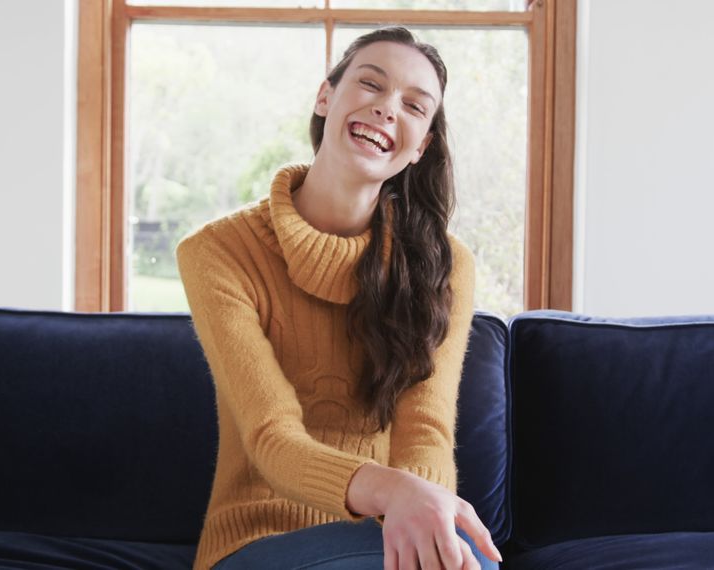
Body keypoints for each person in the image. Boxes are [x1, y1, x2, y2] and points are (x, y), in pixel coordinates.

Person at [176, 25, 500, 570]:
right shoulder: (219, 253)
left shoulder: (444, 265)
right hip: (258, 537)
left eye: (414, 106)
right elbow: (272, 439)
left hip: (385, 534)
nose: (386, 109)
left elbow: (427, 432)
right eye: (371, 85)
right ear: (326, 97)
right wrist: (393, 494)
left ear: (420, 147)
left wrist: (421, 516)